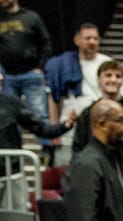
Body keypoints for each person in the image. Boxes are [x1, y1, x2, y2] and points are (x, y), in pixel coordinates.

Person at [45, 23, 123, 166]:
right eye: (88, 38)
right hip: (69, 132)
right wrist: (55, 129)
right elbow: (54, 98)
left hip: (101, 133)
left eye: (95, 39)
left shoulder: (108, 64)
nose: (92, 42)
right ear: (77, 40)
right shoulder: (61, 65)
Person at [0, 70, 74, 209]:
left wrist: (64, 126)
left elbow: (40, 128)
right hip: (11, 173)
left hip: (12, 175)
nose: (1, 77)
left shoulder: (11, 103)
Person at [72, 59, 123, 177]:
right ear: (98, 80)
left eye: (118, 76)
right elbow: (78, 148)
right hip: (94, 175)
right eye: (108, 75)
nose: (113, 80)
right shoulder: (87, 114)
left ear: (122, 81)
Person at [0, 0, 51, 124]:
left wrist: (40, 66)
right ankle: (12, 144)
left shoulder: (31, 17)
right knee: (10, 117)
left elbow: (46, 43)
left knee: (39, 114)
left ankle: (47, 144)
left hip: (31, 73)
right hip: (8, 76)